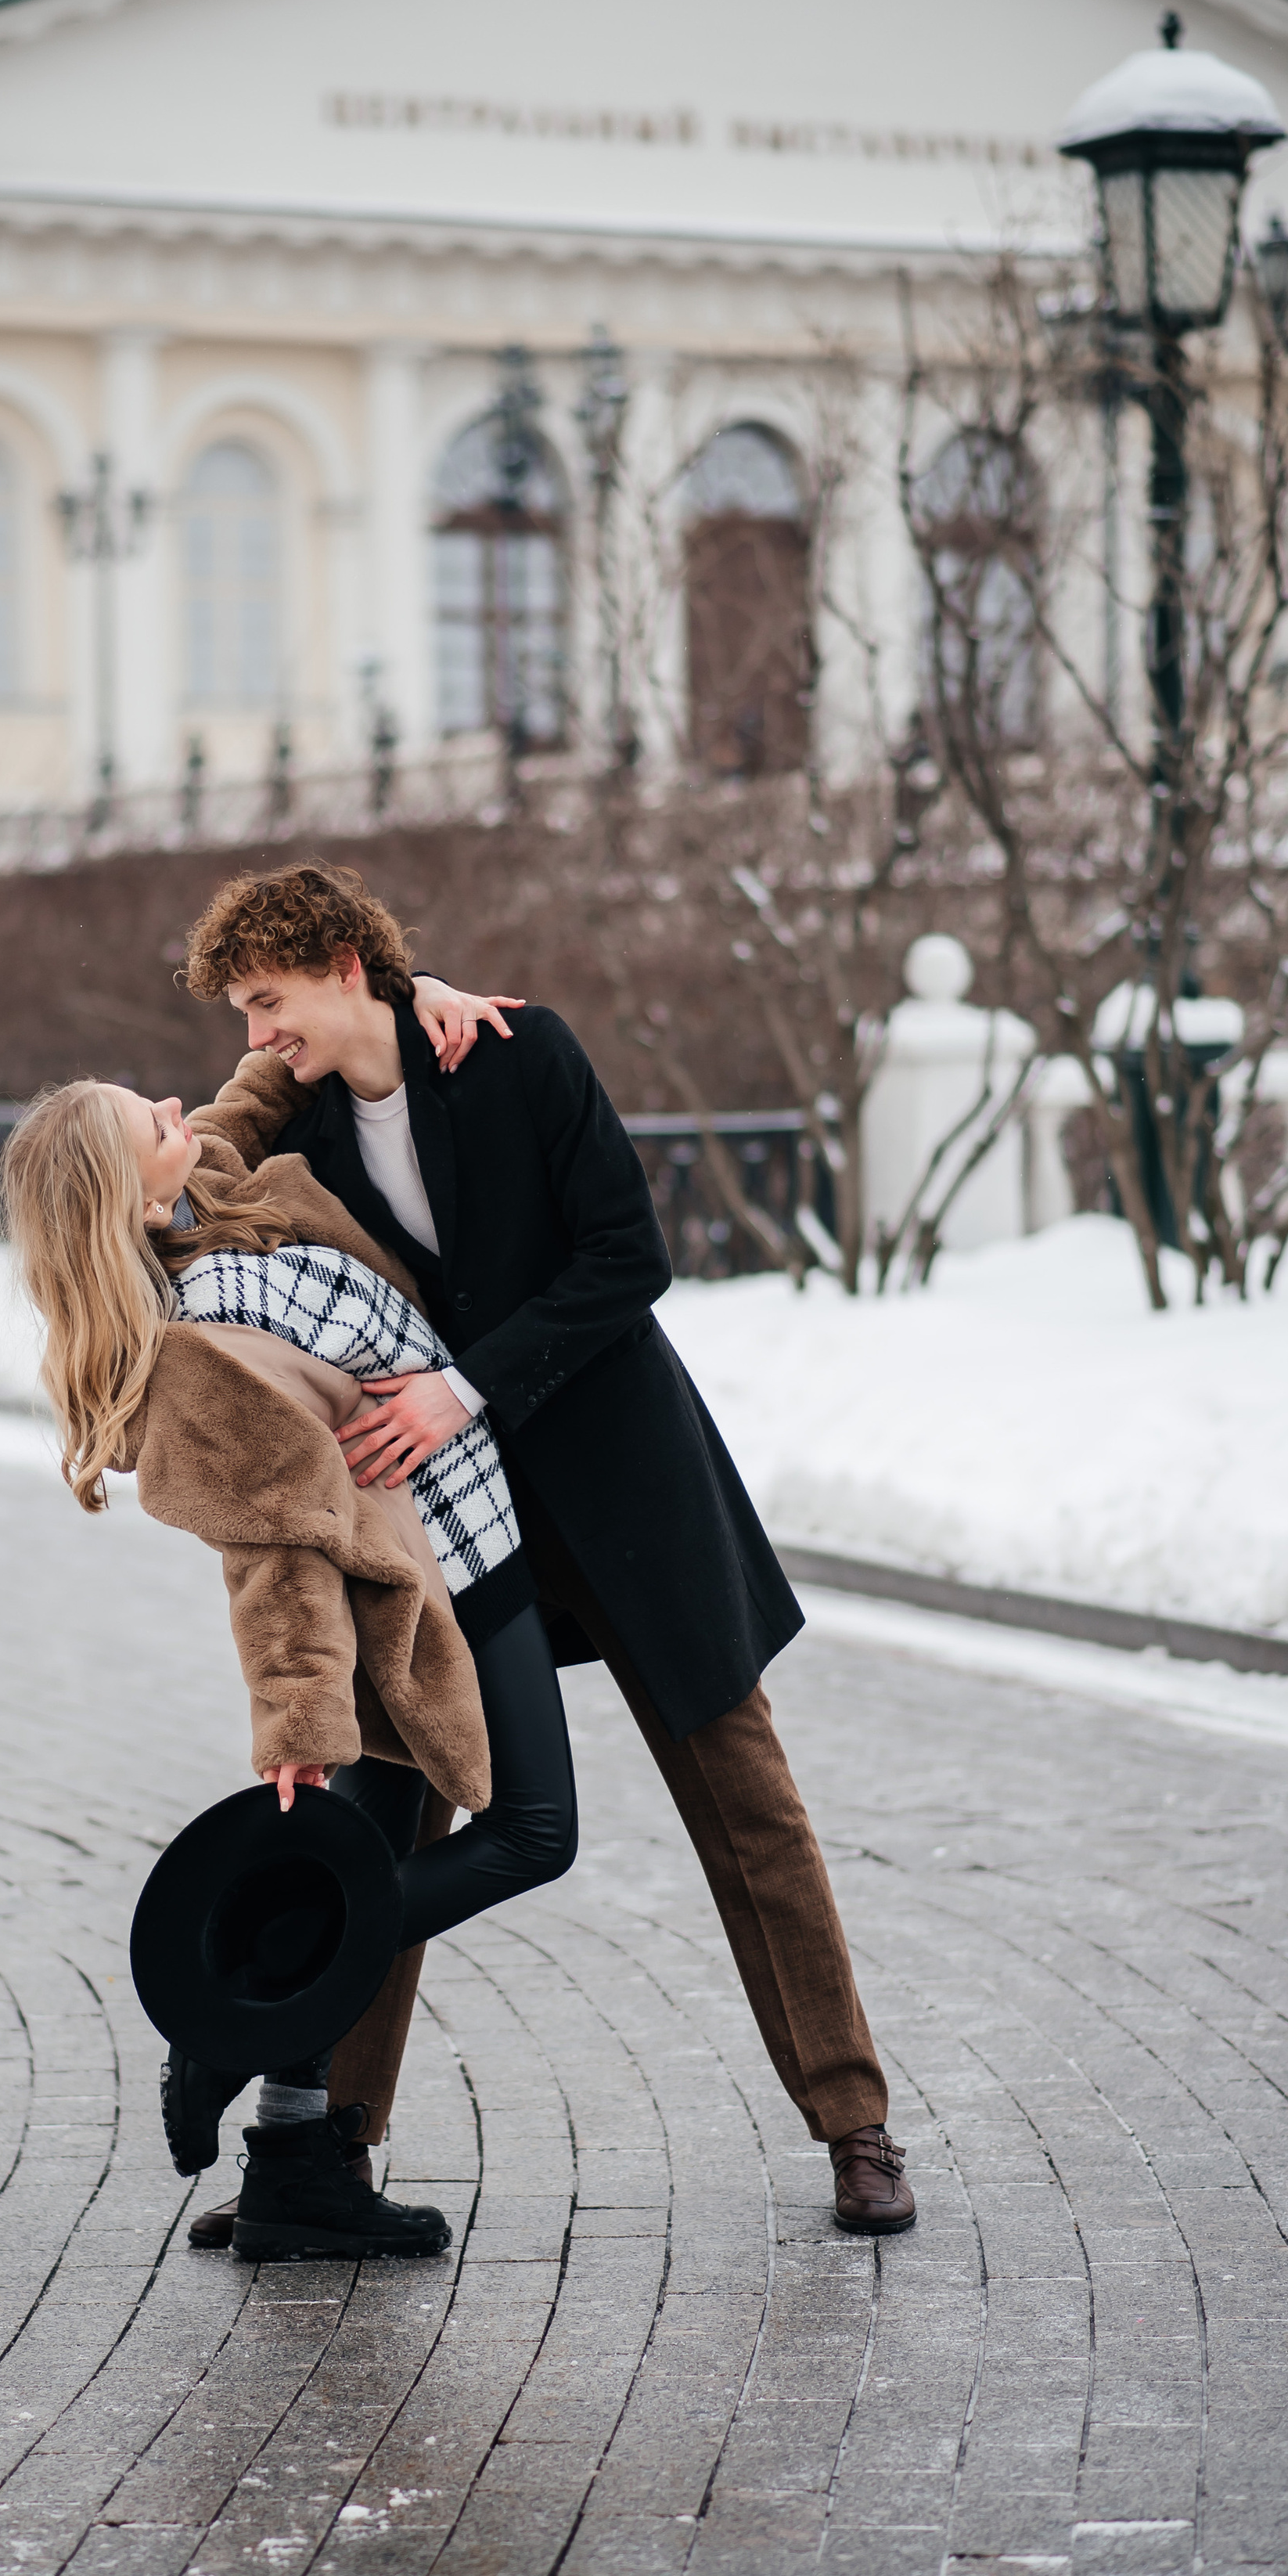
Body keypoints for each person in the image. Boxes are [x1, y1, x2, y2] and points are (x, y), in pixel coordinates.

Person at [181, 861, 916, 2238]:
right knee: (391, 1809)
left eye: (268, 998)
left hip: (627, 1488)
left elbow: (627, 1256)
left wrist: (466, 1383)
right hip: (451, 1525)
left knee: (747, 1801)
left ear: (346, 960)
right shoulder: (300, 1115)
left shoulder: (521, 1058)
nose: (252, 1032)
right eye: (241, 1009)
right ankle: (328, 2149)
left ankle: (857, 2125)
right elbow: (201, 1152)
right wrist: (330, 1034)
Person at [0, 1074, 579, 2261]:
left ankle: (296, 2164)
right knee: (535, 1830)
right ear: (123, 1190)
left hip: (456, 1520)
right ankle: (227, 2025)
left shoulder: (200, 1194)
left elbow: (241, 1105)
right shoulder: (203, 1351)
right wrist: (301, 1725)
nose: (178, 1110)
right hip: (432, 1569)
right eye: (152, 1122)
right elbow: (278, 1555)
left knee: (359, 1860)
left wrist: (356, 1013)